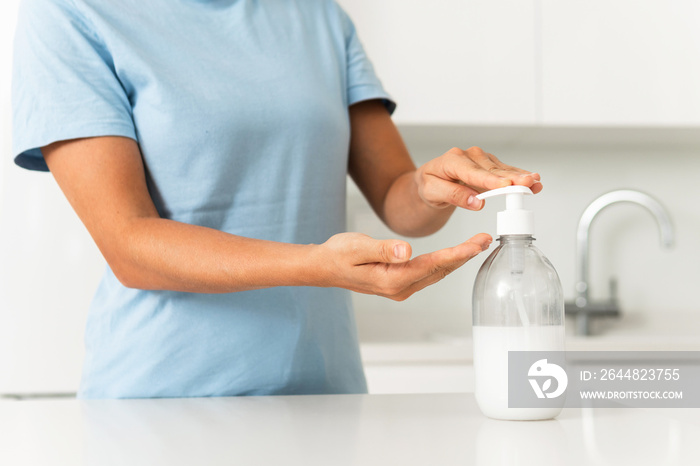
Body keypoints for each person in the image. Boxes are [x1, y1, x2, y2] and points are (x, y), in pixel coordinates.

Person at [12, 0, 542, 398]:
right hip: (164, 402)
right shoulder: (70, 14)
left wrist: (432, 187)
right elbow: (128, 243)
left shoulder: (317, 15)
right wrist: (316, 264)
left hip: (325, 395)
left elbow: (397, 199)